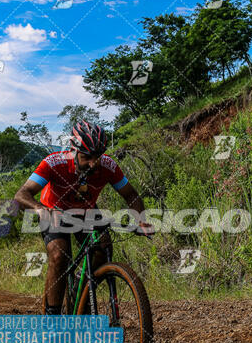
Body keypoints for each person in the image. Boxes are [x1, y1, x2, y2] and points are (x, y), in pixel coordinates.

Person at [14, 121, 154, 314]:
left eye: (98, 156)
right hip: (54, 211)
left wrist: (141, 220)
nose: (93, 163)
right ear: (74, 151)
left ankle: (83, 289)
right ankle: (52, 317)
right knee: (59, 255)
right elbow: (21, 195)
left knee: (103, 247)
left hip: (86, 212)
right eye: (87, 157)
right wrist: (40, 209)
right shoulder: (54, 163)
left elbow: (131, 195)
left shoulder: (108, 166)